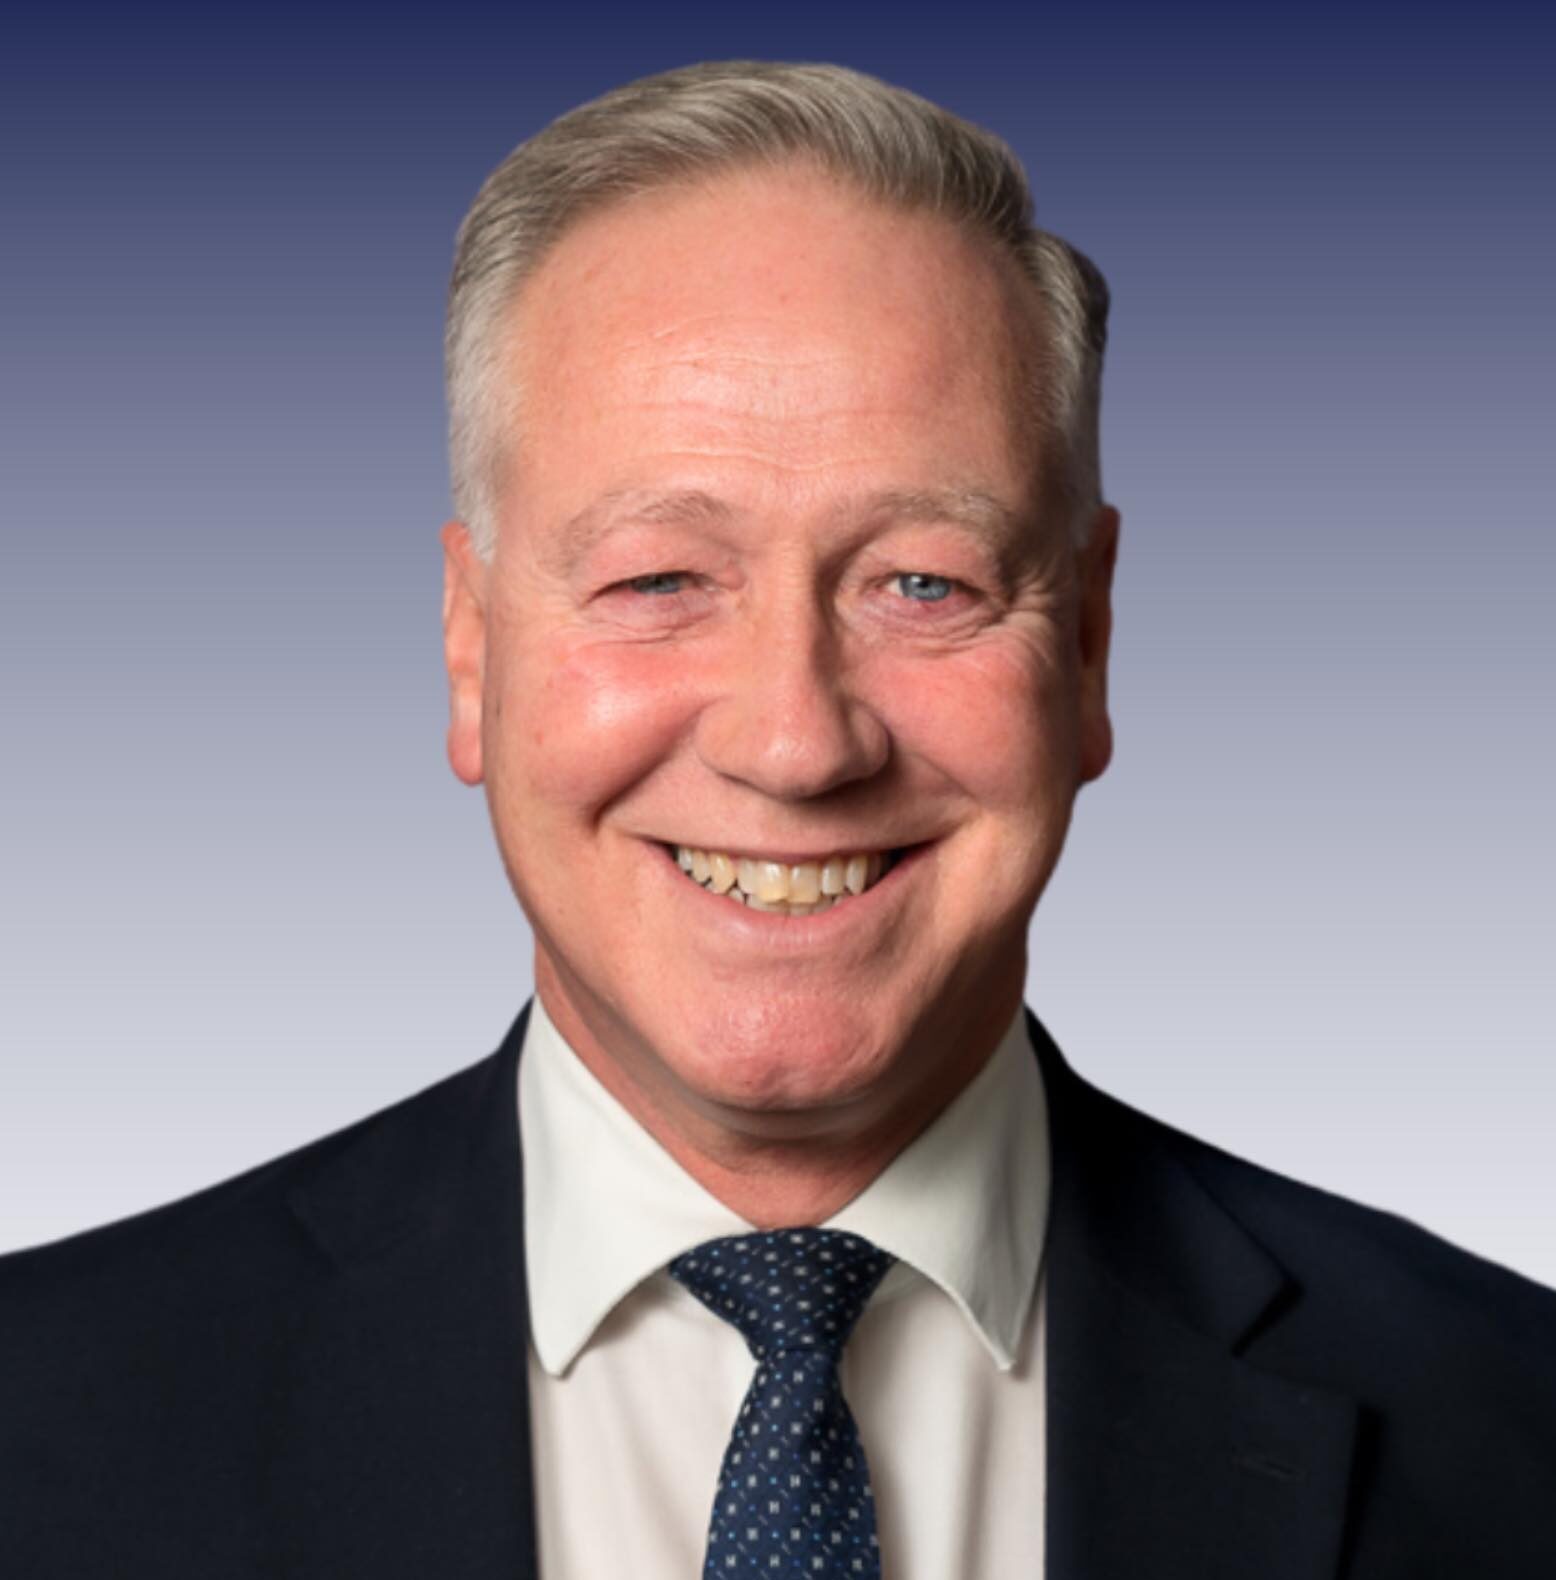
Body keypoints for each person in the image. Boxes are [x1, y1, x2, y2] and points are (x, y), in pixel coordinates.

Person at [3, 60, 1552, 1579]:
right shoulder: (43, 1418)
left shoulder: (1510, 1426)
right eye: (660, 579)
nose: (797, 743)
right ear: (472, 649)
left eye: (923, 582)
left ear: (1085, 645)